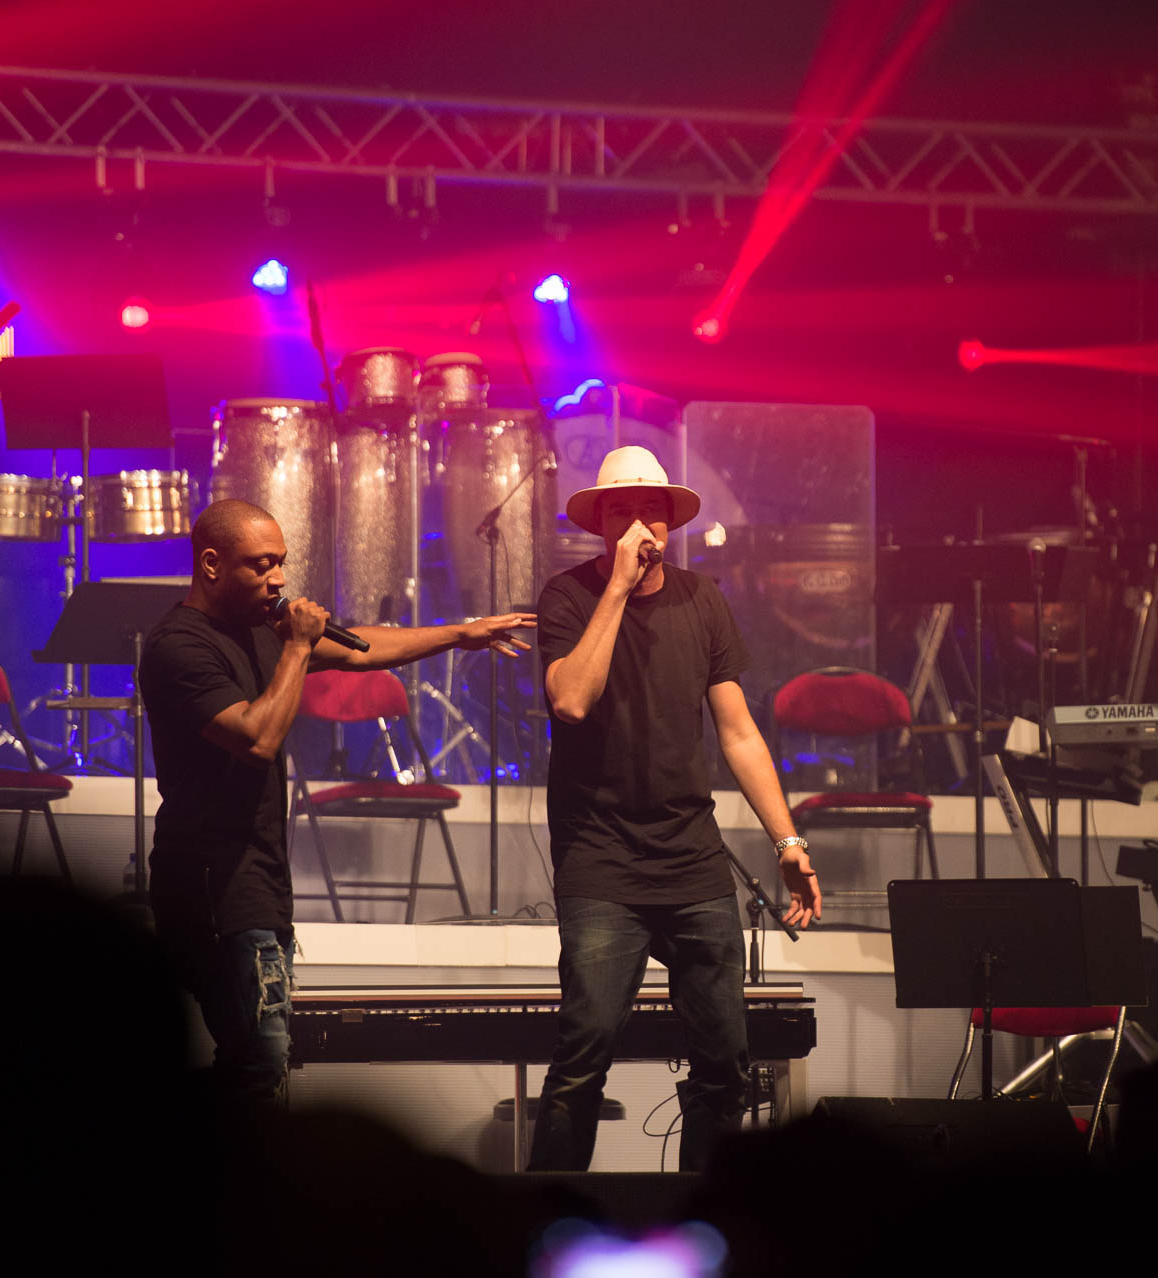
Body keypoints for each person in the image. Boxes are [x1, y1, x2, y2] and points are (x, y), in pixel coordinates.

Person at [138, 498, 534, 1105]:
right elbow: (257, 738)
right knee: (259, 1056)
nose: (278, 579)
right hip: (211, 883)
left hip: (258, 875)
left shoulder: (260, 631)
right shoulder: (178, 646)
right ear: (211, 564)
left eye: (281, 562)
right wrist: (298, 648)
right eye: (261, 565)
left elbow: (361, 649)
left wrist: (461, 634)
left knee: (256, 1057)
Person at [529, 446, 823, 1172]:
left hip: (691, 858)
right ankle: (548, 1212)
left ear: (670, 520)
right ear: (601, 523)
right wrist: (618, 589)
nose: (638, 525)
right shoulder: (568, 597)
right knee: (584, 1053)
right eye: (621, 511)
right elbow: (571, 701)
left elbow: (738, 733)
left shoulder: (702, 599)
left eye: (650, 510)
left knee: (725, 1062)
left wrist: (787, 843)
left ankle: (703, 1209)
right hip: (600, 859)